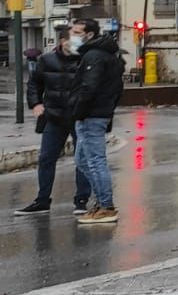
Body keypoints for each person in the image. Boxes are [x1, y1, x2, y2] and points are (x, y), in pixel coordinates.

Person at [14, 29, 87, 216]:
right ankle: (42, 200)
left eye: (77, 42)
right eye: (71, 42)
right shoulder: (46, 60)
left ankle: (81, 201)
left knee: (82, 160)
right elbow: (34, 84)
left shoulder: (84, 60)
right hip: (54, 116)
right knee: (46, 158)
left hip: (78, 117)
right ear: (61, 41)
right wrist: (35, 103)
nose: (74, 46)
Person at [66, 18, 124, 226]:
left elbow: (88, 88)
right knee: (82, 160)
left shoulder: (94, 56)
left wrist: (77, 110)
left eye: (77, 32)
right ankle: (102, 202)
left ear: (89, 34)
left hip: (91, 115)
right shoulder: (105, 55)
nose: (72, 35)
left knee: (95, 161)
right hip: (95, 114)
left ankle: (106, 206)